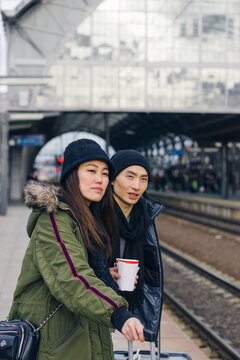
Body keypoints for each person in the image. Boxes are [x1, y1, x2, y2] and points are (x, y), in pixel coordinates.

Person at [8, 139, 144, 360]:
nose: (99, 179)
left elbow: (79, 266)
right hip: (56, 343)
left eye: (105, 173)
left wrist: (102, 276)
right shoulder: (53, 219)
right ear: (72, 174)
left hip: (82, 336)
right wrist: (119, 314)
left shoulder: (88, 218)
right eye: (91, 171)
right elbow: (71, 277)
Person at [109, 150, 164, 340]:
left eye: (143, 179)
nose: (136, 186)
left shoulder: (145, 217)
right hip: (93, 304)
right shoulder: (94, 215)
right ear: (113, 179)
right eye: (130, 176)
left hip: (130, 308)